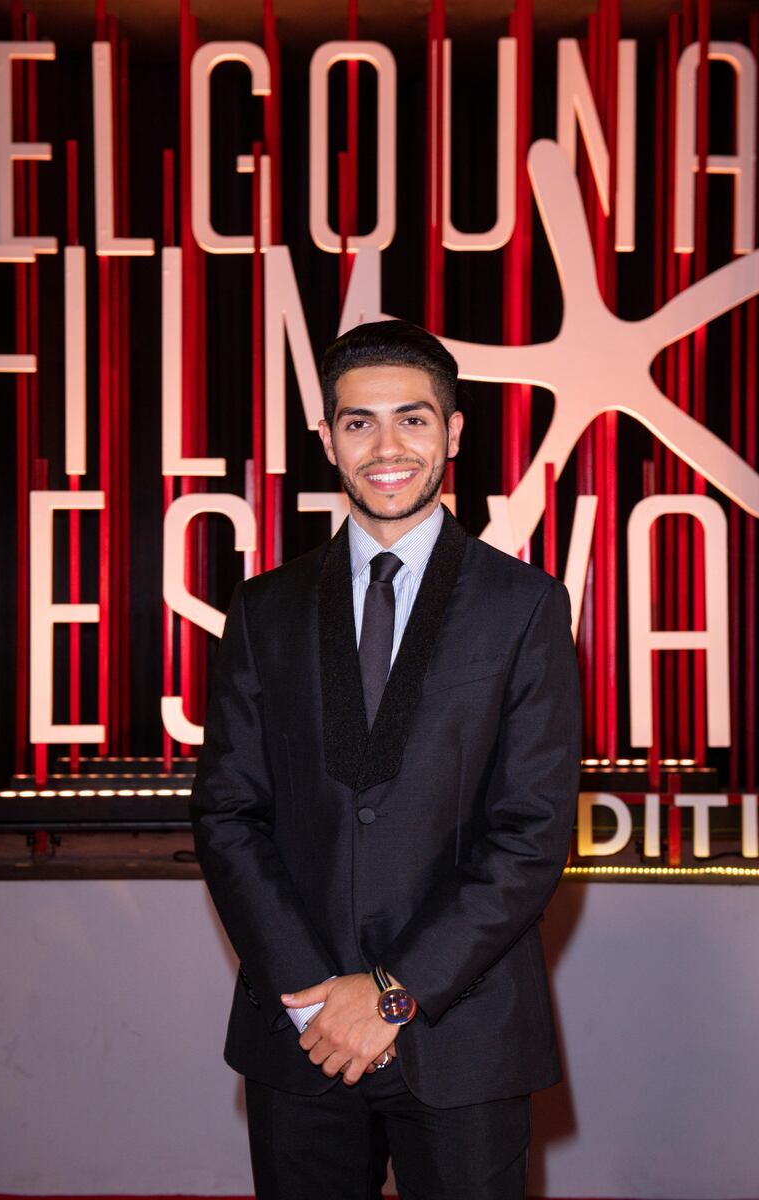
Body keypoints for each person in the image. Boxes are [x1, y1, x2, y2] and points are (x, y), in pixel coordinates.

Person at [189, 318, 582, 1199]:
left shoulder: (524, 607)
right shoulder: (264, 610)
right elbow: (228, 814)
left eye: (413, 418)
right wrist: (310, 994)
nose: (387, 446)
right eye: (359, 423)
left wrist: (393, 994)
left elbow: (529, 834)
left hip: (464, 1031)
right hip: (303, 1034)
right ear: (326, 438)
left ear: (454, 432)